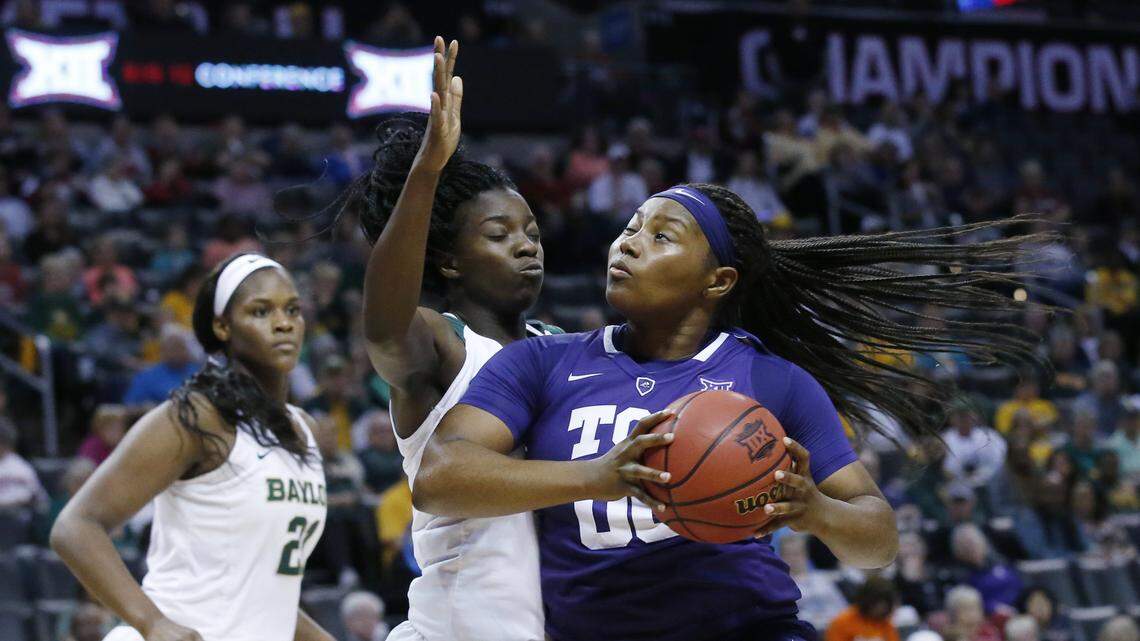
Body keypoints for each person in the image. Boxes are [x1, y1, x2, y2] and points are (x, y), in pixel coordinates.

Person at [416, 182, 1043, 641]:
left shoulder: (770, 380)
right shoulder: (543, 363)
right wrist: (600, 476)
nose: (629, 244)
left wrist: (815, 509)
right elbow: (439, 480)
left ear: (717, 281)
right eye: (632, 226)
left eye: (660, 236)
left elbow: (877, 538)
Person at [346, 38, 553, 641]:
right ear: (450, 261)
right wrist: (427, 171)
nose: (526, 244)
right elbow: (383, 324)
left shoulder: (563, 345)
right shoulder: (442, 344)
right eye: (499, 233)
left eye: (531, 230)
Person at [50, 253, 335, 641]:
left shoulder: (305, 429)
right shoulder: (195, 416)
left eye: (293, 309)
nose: (284, 323)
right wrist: (152, 623)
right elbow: (75, 527)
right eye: (261, 311)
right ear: (222, 325)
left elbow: (264, 589)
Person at [122, 325, 200, 406]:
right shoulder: (147, 376)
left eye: (180, 348)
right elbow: (130, 404)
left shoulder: (199, 373)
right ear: (162, 352)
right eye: (172, 348)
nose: (177, 352)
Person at [825, 578, 899, 641]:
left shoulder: (886, 625)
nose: (880, 609)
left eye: (884, 606)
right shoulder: (842, 621)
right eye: (877, 605)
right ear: (867, 601)